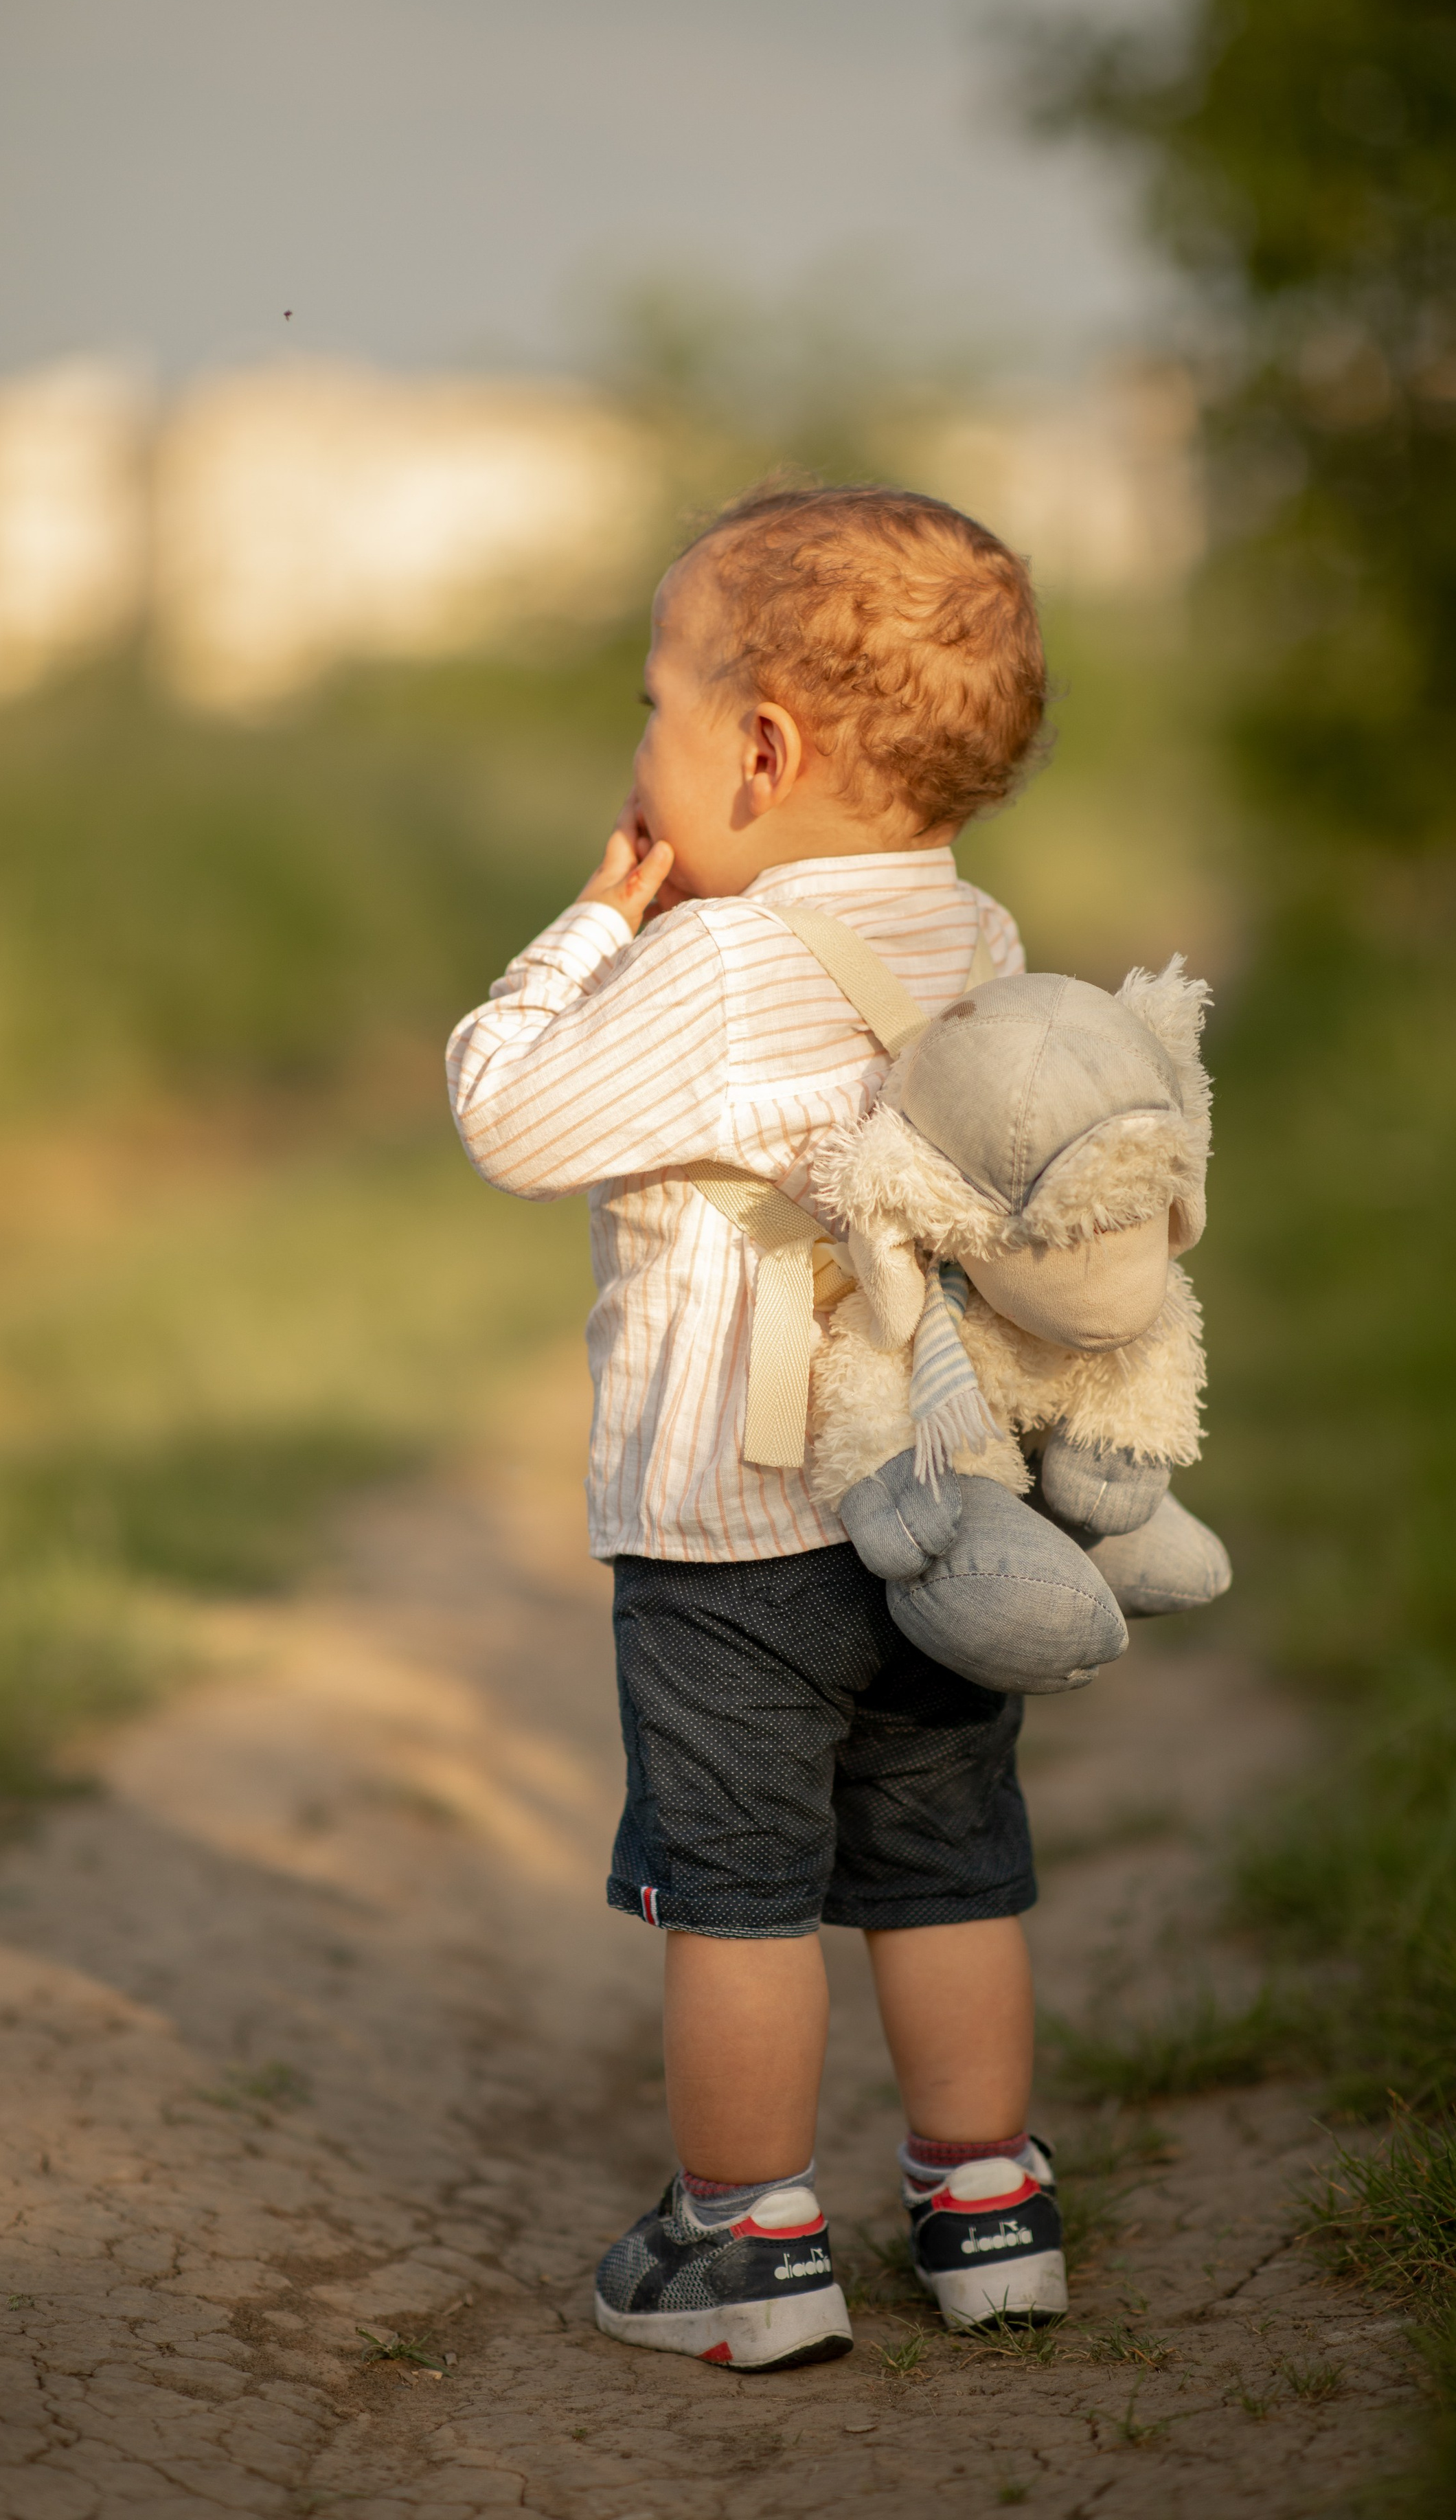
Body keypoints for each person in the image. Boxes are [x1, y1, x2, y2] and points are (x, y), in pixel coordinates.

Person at [446, 485, 1066, 2372]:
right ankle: (988, 2207)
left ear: (763, 753)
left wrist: (592, 921)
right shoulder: (979, 935)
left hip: (731, 1528)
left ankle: (746, 2239)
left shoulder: (710, 965)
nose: (637, 750)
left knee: (737, 1897)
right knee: (945, 1862)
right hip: (940, 1504)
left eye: (655, 707)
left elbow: (507, 1115)